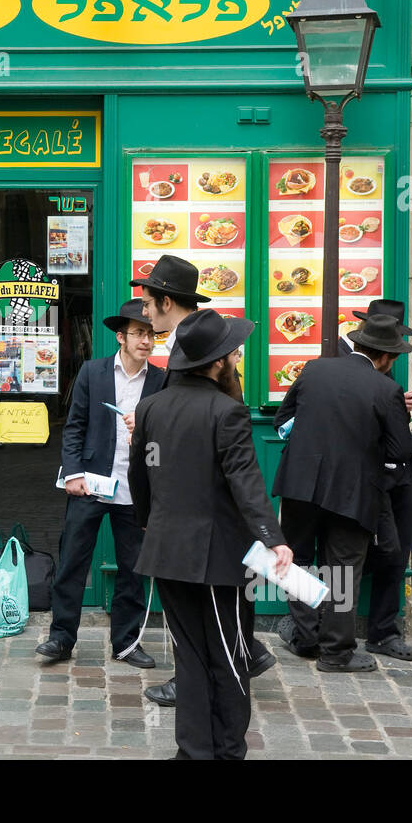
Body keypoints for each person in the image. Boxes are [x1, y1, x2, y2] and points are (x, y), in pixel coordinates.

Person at [128, 310, 292, 759]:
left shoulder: (151, 406)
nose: (236, 358)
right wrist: (272, 536)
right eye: (233, 353)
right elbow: (245, 480)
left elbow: (139, 474)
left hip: (166, 549)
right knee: (228, 656)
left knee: (189, 655)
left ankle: (193, 750)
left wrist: (148, 519)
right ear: (217, 363)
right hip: (218, 556)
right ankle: (227, 750)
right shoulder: (227, 410)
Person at [137, 257, 276, 708]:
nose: (144, 313)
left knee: (215, 635)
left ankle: (218, 677)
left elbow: (238, 471)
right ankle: (225, 668)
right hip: (193, 523)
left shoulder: (194, 343)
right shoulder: (189, 345)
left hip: (204, 524)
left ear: (166, 301)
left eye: (148, 302)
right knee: (209, 629)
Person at [272, 313, 412, 672]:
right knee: (343, 569)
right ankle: (336, 653)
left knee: (298, 562)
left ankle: (306, 638)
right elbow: (400, 451)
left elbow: (282, 421)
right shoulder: (386, 389)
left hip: (299, 484)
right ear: (384, 357)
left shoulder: (313, 370)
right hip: (352, 492)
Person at [36, 299, 166, 668]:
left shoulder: (160, 380)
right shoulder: (93, 373)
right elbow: (74, 426)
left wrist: (144, 432)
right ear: (121, 337)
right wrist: (73, 473)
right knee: (73, 562)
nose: (146, 340)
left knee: (133, 568)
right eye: (139, 333)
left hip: (134, 489)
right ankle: (61, 638)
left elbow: (163, 439)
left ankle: (126, 643)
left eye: (151, 334)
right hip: (90, 484)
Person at [339, 299, 412, 661]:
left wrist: (398, 405)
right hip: (363, 472)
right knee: (347, 554)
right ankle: (316, 626)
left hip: (396, 474)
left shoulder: (386, 372)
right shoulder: (343, 360)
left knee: (394, 553)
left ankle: (383, 632)